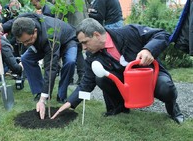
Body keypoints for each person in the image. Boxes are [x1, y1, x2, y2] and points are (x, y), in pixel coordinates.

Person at [39, 18, 185, 125]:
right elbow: (86, 83)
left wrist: (148, 49)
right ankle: (119, 108)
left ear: (96, 35)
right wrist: (69, 103)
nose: (83, 48)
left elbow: (163, 34)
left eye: (85, 42)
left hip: (148, 76)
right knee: (100, 78)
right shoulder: (92, 56)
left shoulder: (129, 32)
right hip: (125, 83)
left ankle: (173, 109)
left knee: (166, 88)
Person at [0, 13, 78, 103]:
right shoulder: (23, 21)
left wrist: (45, 96)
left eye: (27, 40)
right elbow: (13, 22)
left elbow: (50, 68)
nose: (25, 44)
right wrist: (1, 28)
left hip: (67, 41)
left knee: (70, 62)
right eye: (22, 42)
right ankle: (39, 90)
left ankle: (61, 95)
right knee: (26, 59)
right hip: (42, 42)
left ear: (35, 31)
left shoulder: (49, 37)